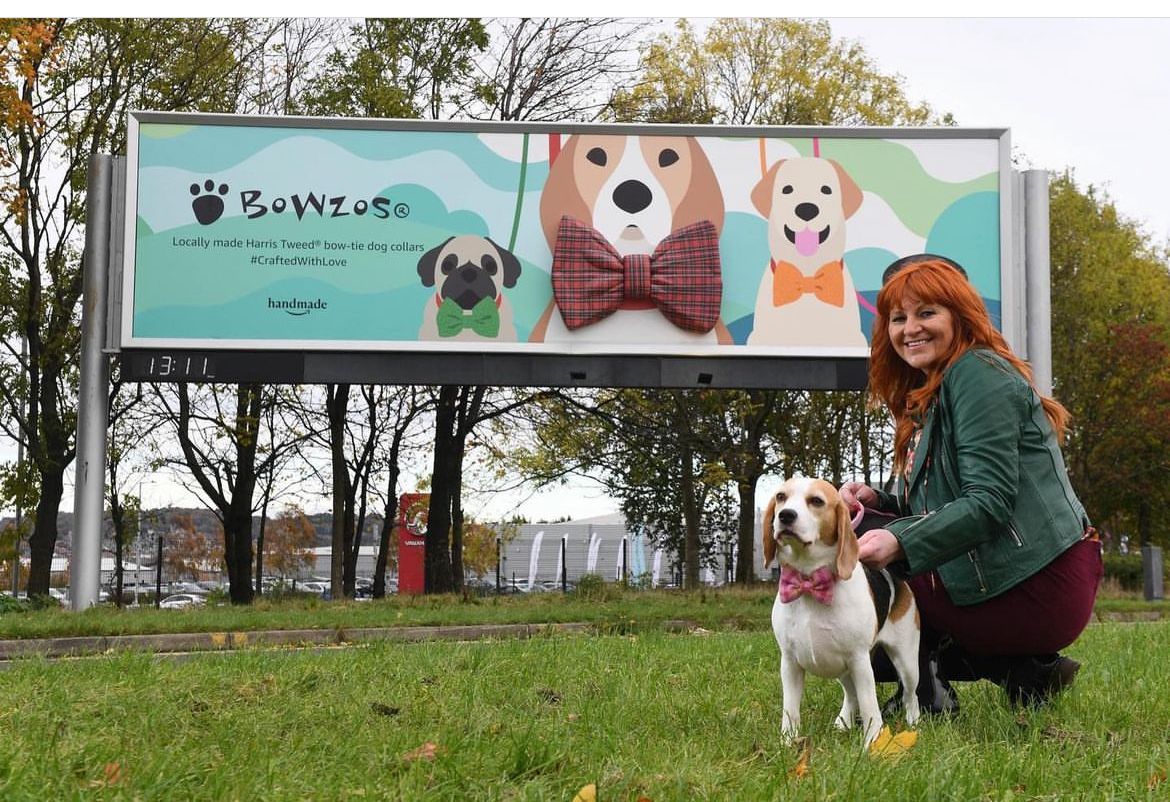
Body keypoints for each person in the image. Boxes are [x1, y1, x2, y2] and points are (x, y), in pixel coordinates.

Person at [841, 254, 1103, 712]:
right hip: (1012, 572)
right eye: (898, 318)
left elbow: (988, 502)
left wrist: (896, 539)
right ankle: (1023, 672)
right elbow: (929, 505)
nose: (910, 329)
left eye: (927, 313)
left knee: (848, 560)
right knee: (850, 525)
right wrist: (876, 499)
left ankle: (926, 694)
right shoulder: (931, 391)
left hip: (1041, 583)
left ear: (959, 314)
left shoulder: (977, 373)